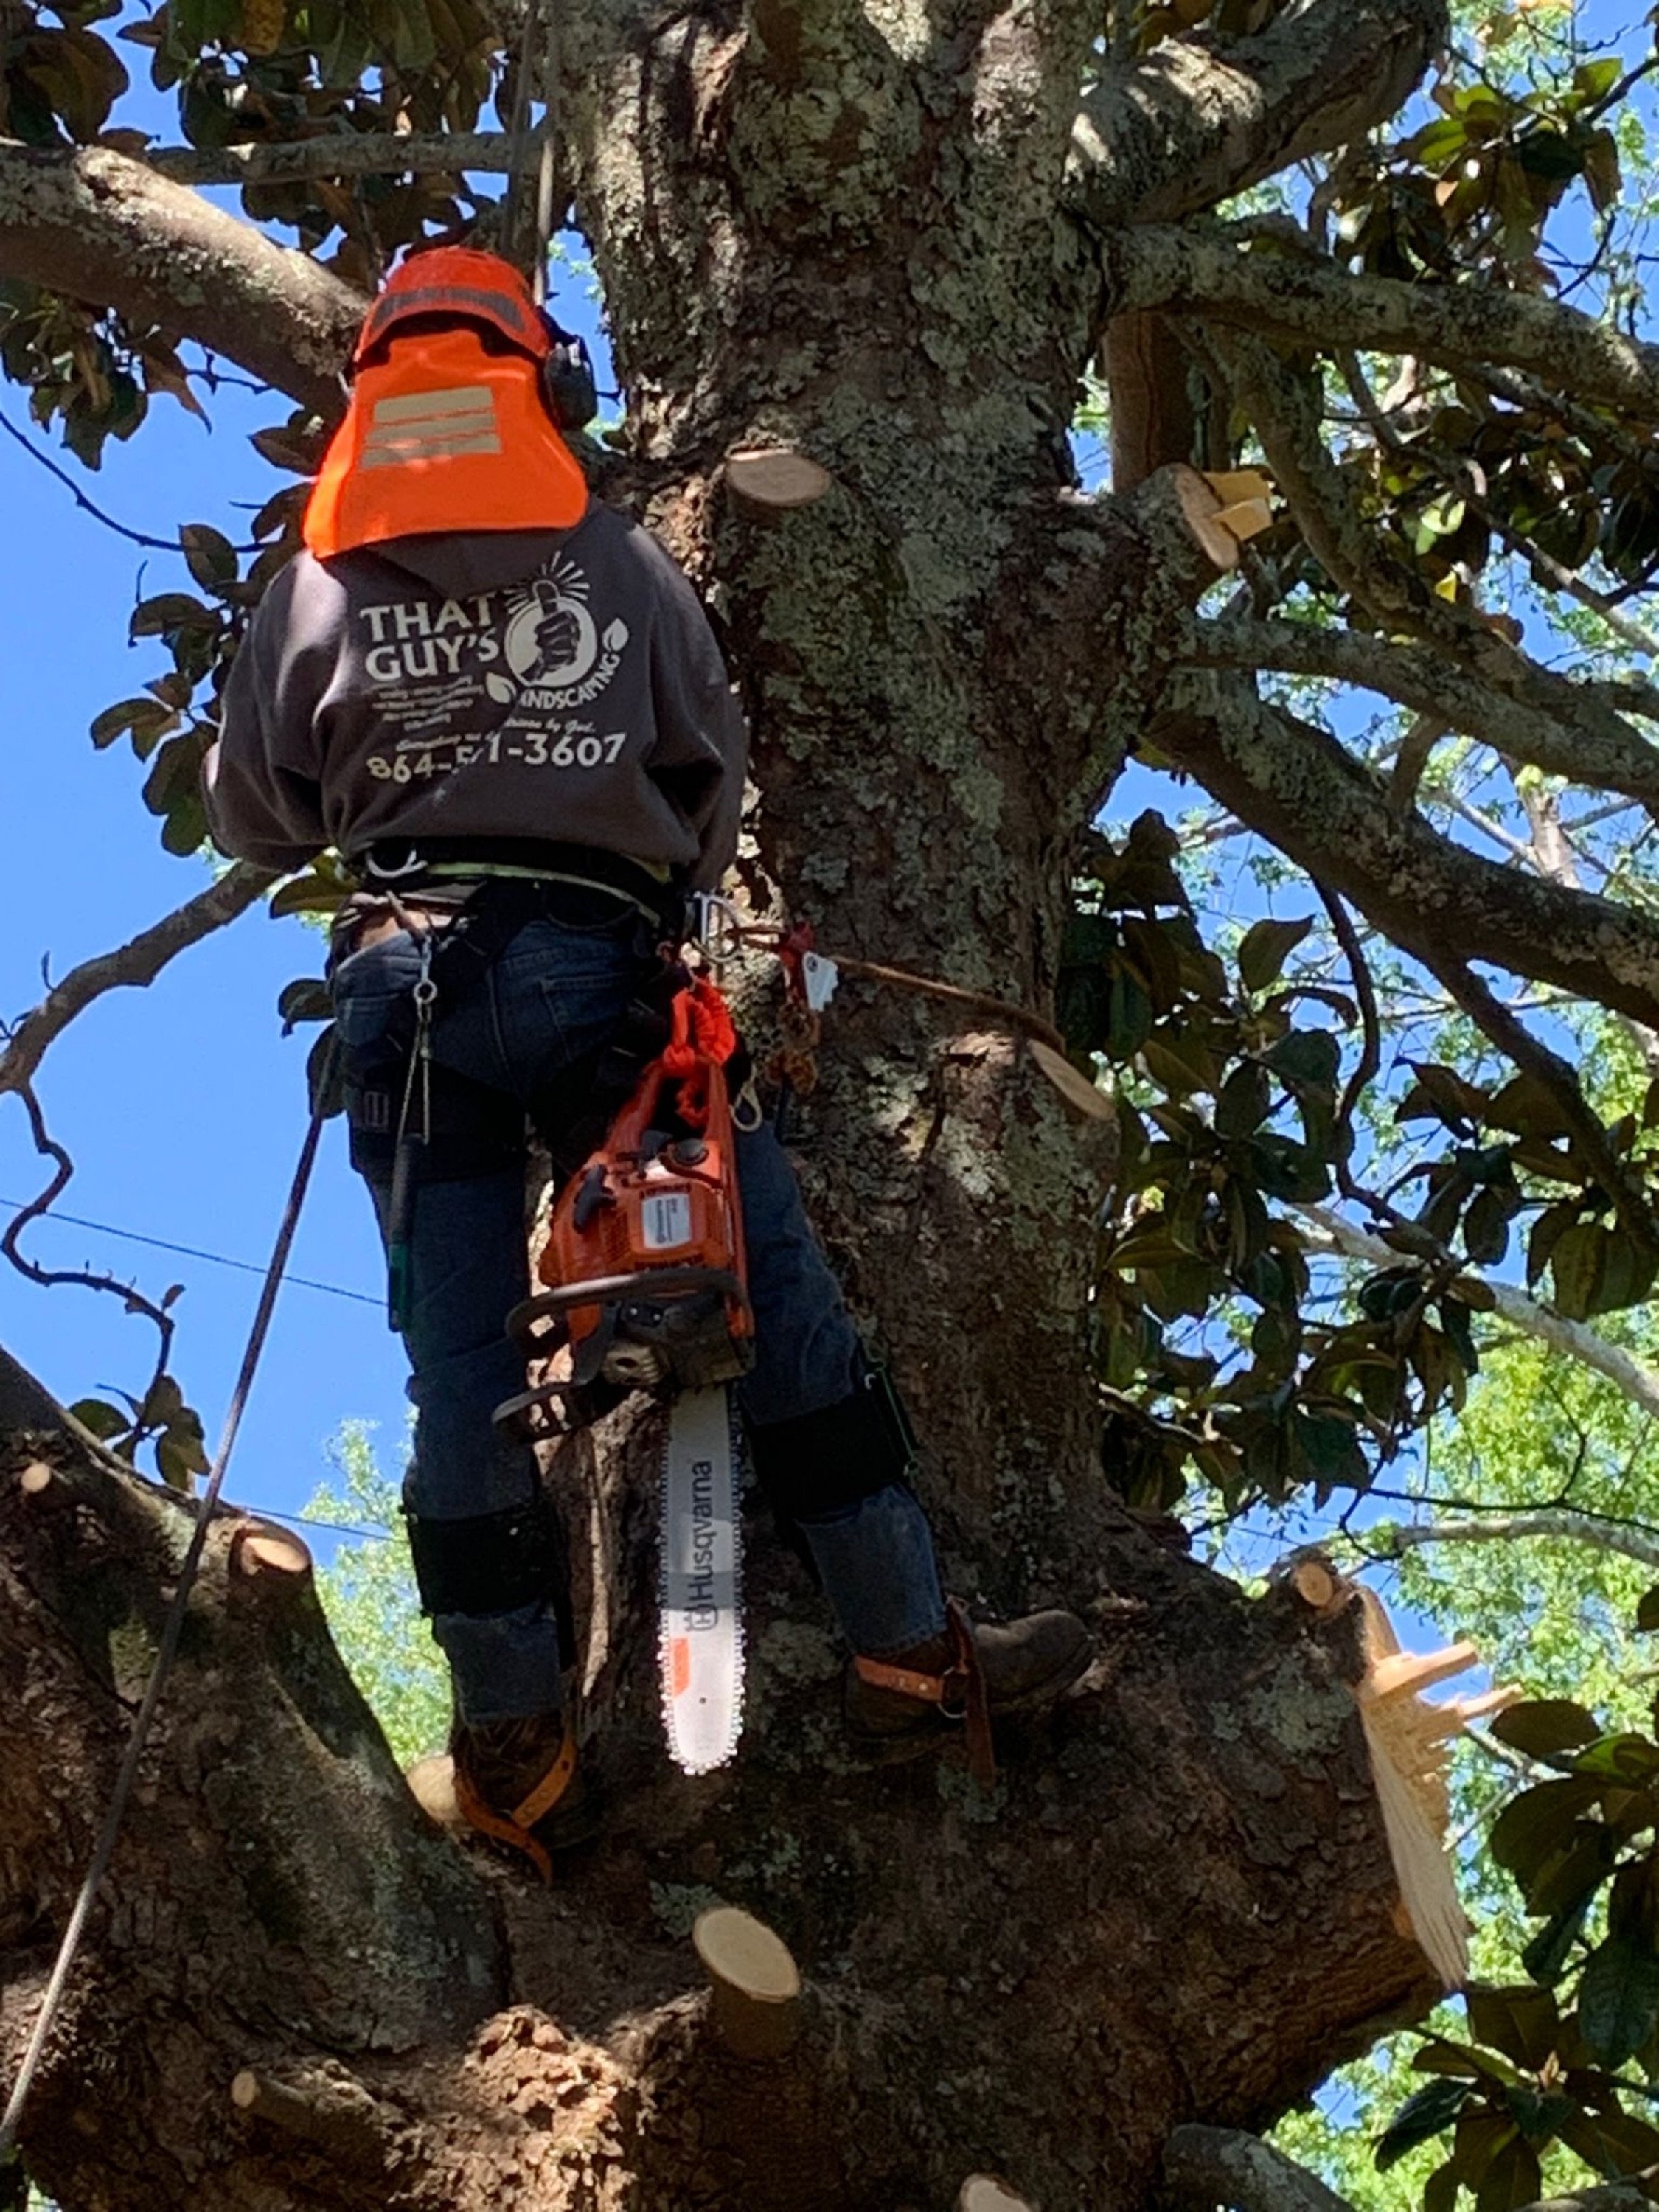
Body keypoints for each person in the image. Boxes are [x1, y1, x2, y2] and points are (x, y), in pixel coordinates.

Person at [203, 246, 1090, 1869]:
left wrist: (400, 783)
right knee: (773, 1304)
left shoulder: (313, 583)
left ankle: (514, 1740)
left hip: (405, 993)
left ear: (376, 388)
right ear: (531, 377)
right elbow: (707, 778)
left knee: (456, 1380)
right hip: (596, 966)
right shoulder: (612, 558)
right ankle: (904, 1636)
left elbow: (251, 809)